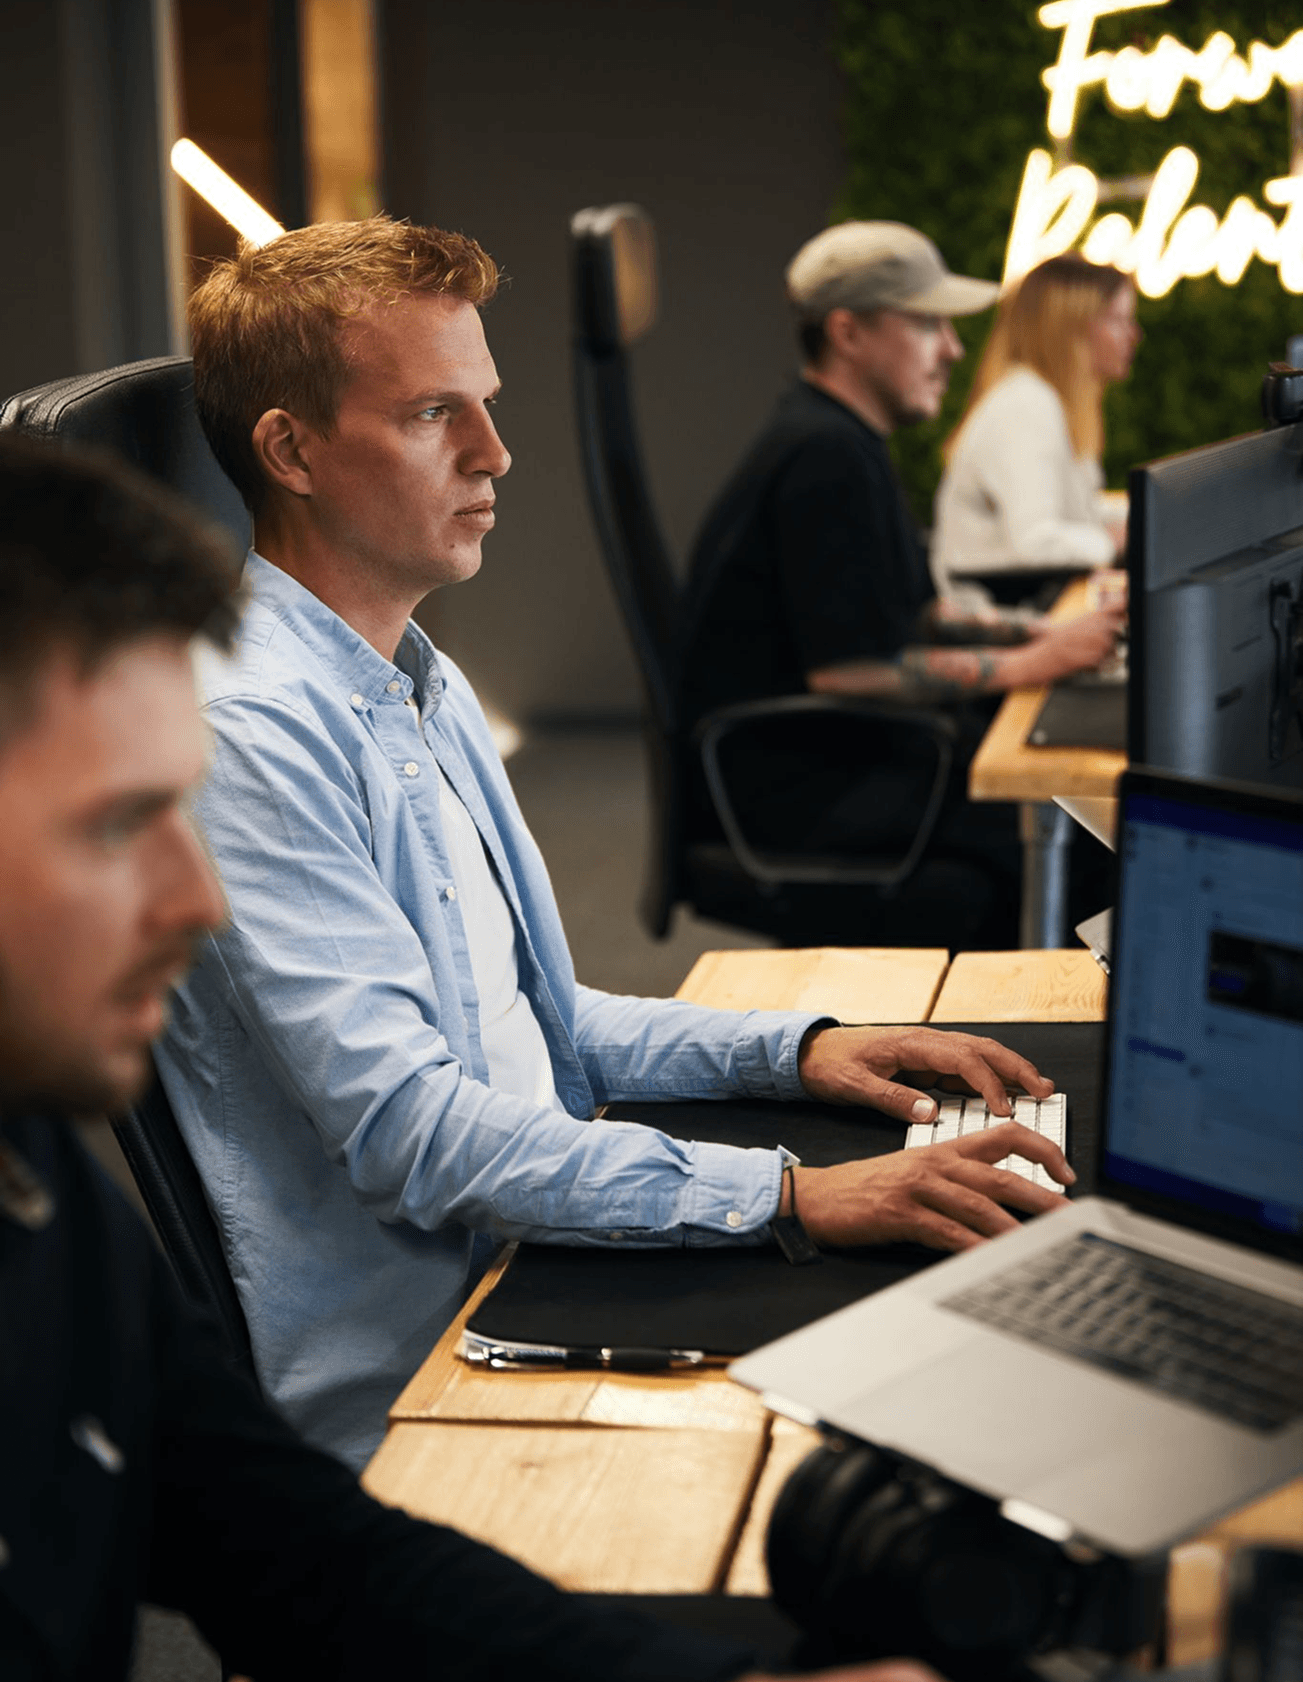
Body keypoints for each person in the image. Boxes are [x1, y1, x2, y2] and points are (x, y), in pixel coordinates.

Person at [0, 430, 954, 1682]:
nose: (197, 901)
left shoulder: (36, 1195)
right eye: (121, 823)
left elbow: (306, 1558)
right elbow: (416, 1129)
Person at [153, 215, 1074, 1471]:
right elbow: (414, 1132)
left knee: (976, 1350)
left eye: (487, 403)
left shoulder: (418, 677)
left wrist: (807, 1053)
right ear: (290, 449)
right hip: (438, 1365)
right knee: (926, 1458)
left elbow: (549, 1025)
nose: (497, 450)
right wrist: (794, 1193)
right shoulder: (250, 730)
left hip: (541, 1245)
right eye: (435, 415)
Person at [677, 221, 1126, 946]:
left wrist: (1040, 632)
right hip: (801, 785)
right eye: (926, 324)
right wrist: (1030, 664)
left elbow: (914, 613)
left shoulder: (844, 439)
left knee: (1076, 820)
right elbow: (849, 669)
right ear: (848, 332)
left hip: (833, 758)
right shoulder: (823, 459)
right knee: (1088, 846)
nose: (952, 348)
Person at [930, 253, 1140, 615]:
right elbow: (1034, 542)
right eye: (1118, 320)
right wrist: (1114, 539)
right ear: (1071, 327)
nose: (1133, 335)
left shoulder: (1042, 400)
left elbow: (1070, 506)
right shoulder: (1026, 406)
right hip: (994, 626)